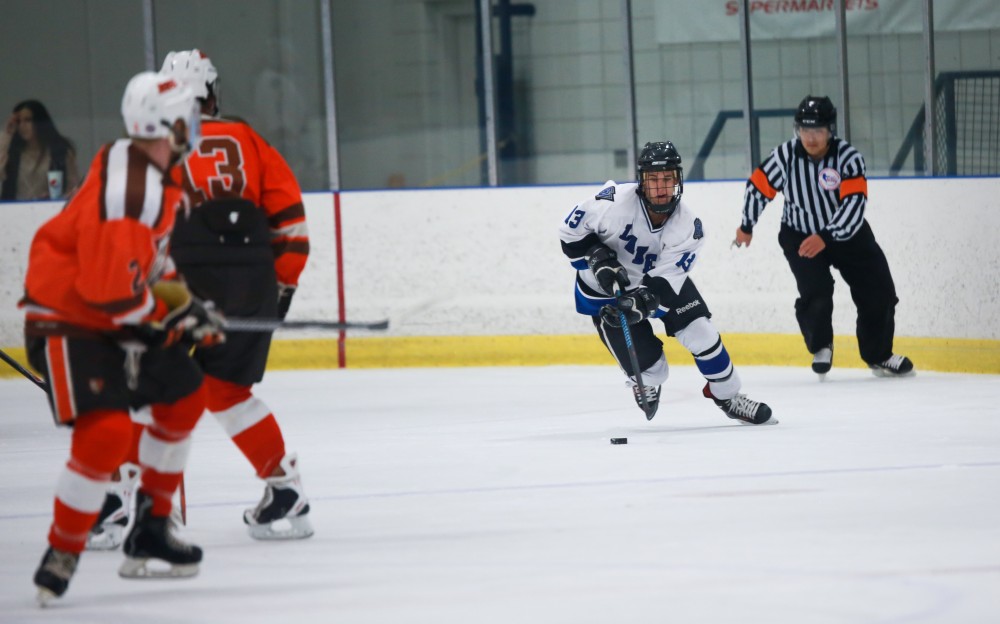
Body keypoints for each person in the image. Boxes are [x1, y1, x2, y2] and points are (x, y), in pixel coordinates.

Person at [88, 49, 312, 543]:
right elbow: (292, 224)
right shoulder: (248, 138)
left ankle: (134, 509)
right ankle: (284, 492)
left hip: (179, 283)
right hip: (250, 282)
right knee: (226, 390)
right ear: (213, 95)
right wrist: (279, 287)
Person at [22, 71, 224, 604]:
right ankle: (62, 550)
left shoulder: (148, 168)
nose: (197, 125)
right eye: (190, 116)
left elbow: (146, 263)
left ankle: (151, 529)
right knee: (106, 435)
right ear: (170, 125)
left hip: (114, 309)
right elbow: (112, 293)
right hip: (70, 316)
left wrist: (186, 304)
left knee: (184, 396)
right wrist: (176, 318)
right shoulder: (130, 193)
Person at [558, 141, 773, 425]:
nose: (660, 187)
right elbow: (569, 233)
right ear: (641, 182)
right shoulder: (613, 201)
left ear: (678, 181)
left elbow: (664, 283)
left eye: (667, 179)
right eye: (653, 179)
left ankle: (729, 397)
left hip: (655, 283)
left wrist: (642, 302)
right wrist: (598, 256)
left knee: (702, 334)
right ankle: (644, 380)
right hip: (605, 294)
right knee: (653, 372)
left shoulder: (689, 227)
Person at [735, 95, 914, 378]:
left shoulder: (849, 158)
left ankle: (879, 355)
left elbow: (854, 204)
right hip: (799, 233)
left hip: (848, 235)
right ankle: (821, 345)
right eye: (805, 130)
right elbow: (758, 188)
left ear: (830, 130)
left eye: (817, 130)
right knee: (816, 293)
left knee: (879, 292)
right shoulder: (785, 155)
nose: (811, 137)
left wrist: (827, 236)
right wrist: (746, 225)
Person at [0, 99, 80, 200]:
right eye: (18, 121)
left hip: (51, 210)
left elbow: (73, 188)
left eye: (28, 120)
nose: (22, 126)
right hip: (14, 211)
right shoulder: (11, 152)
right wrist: (7, 134)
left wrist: (58, 197)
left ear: (39, 122)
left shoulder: (60, 152)